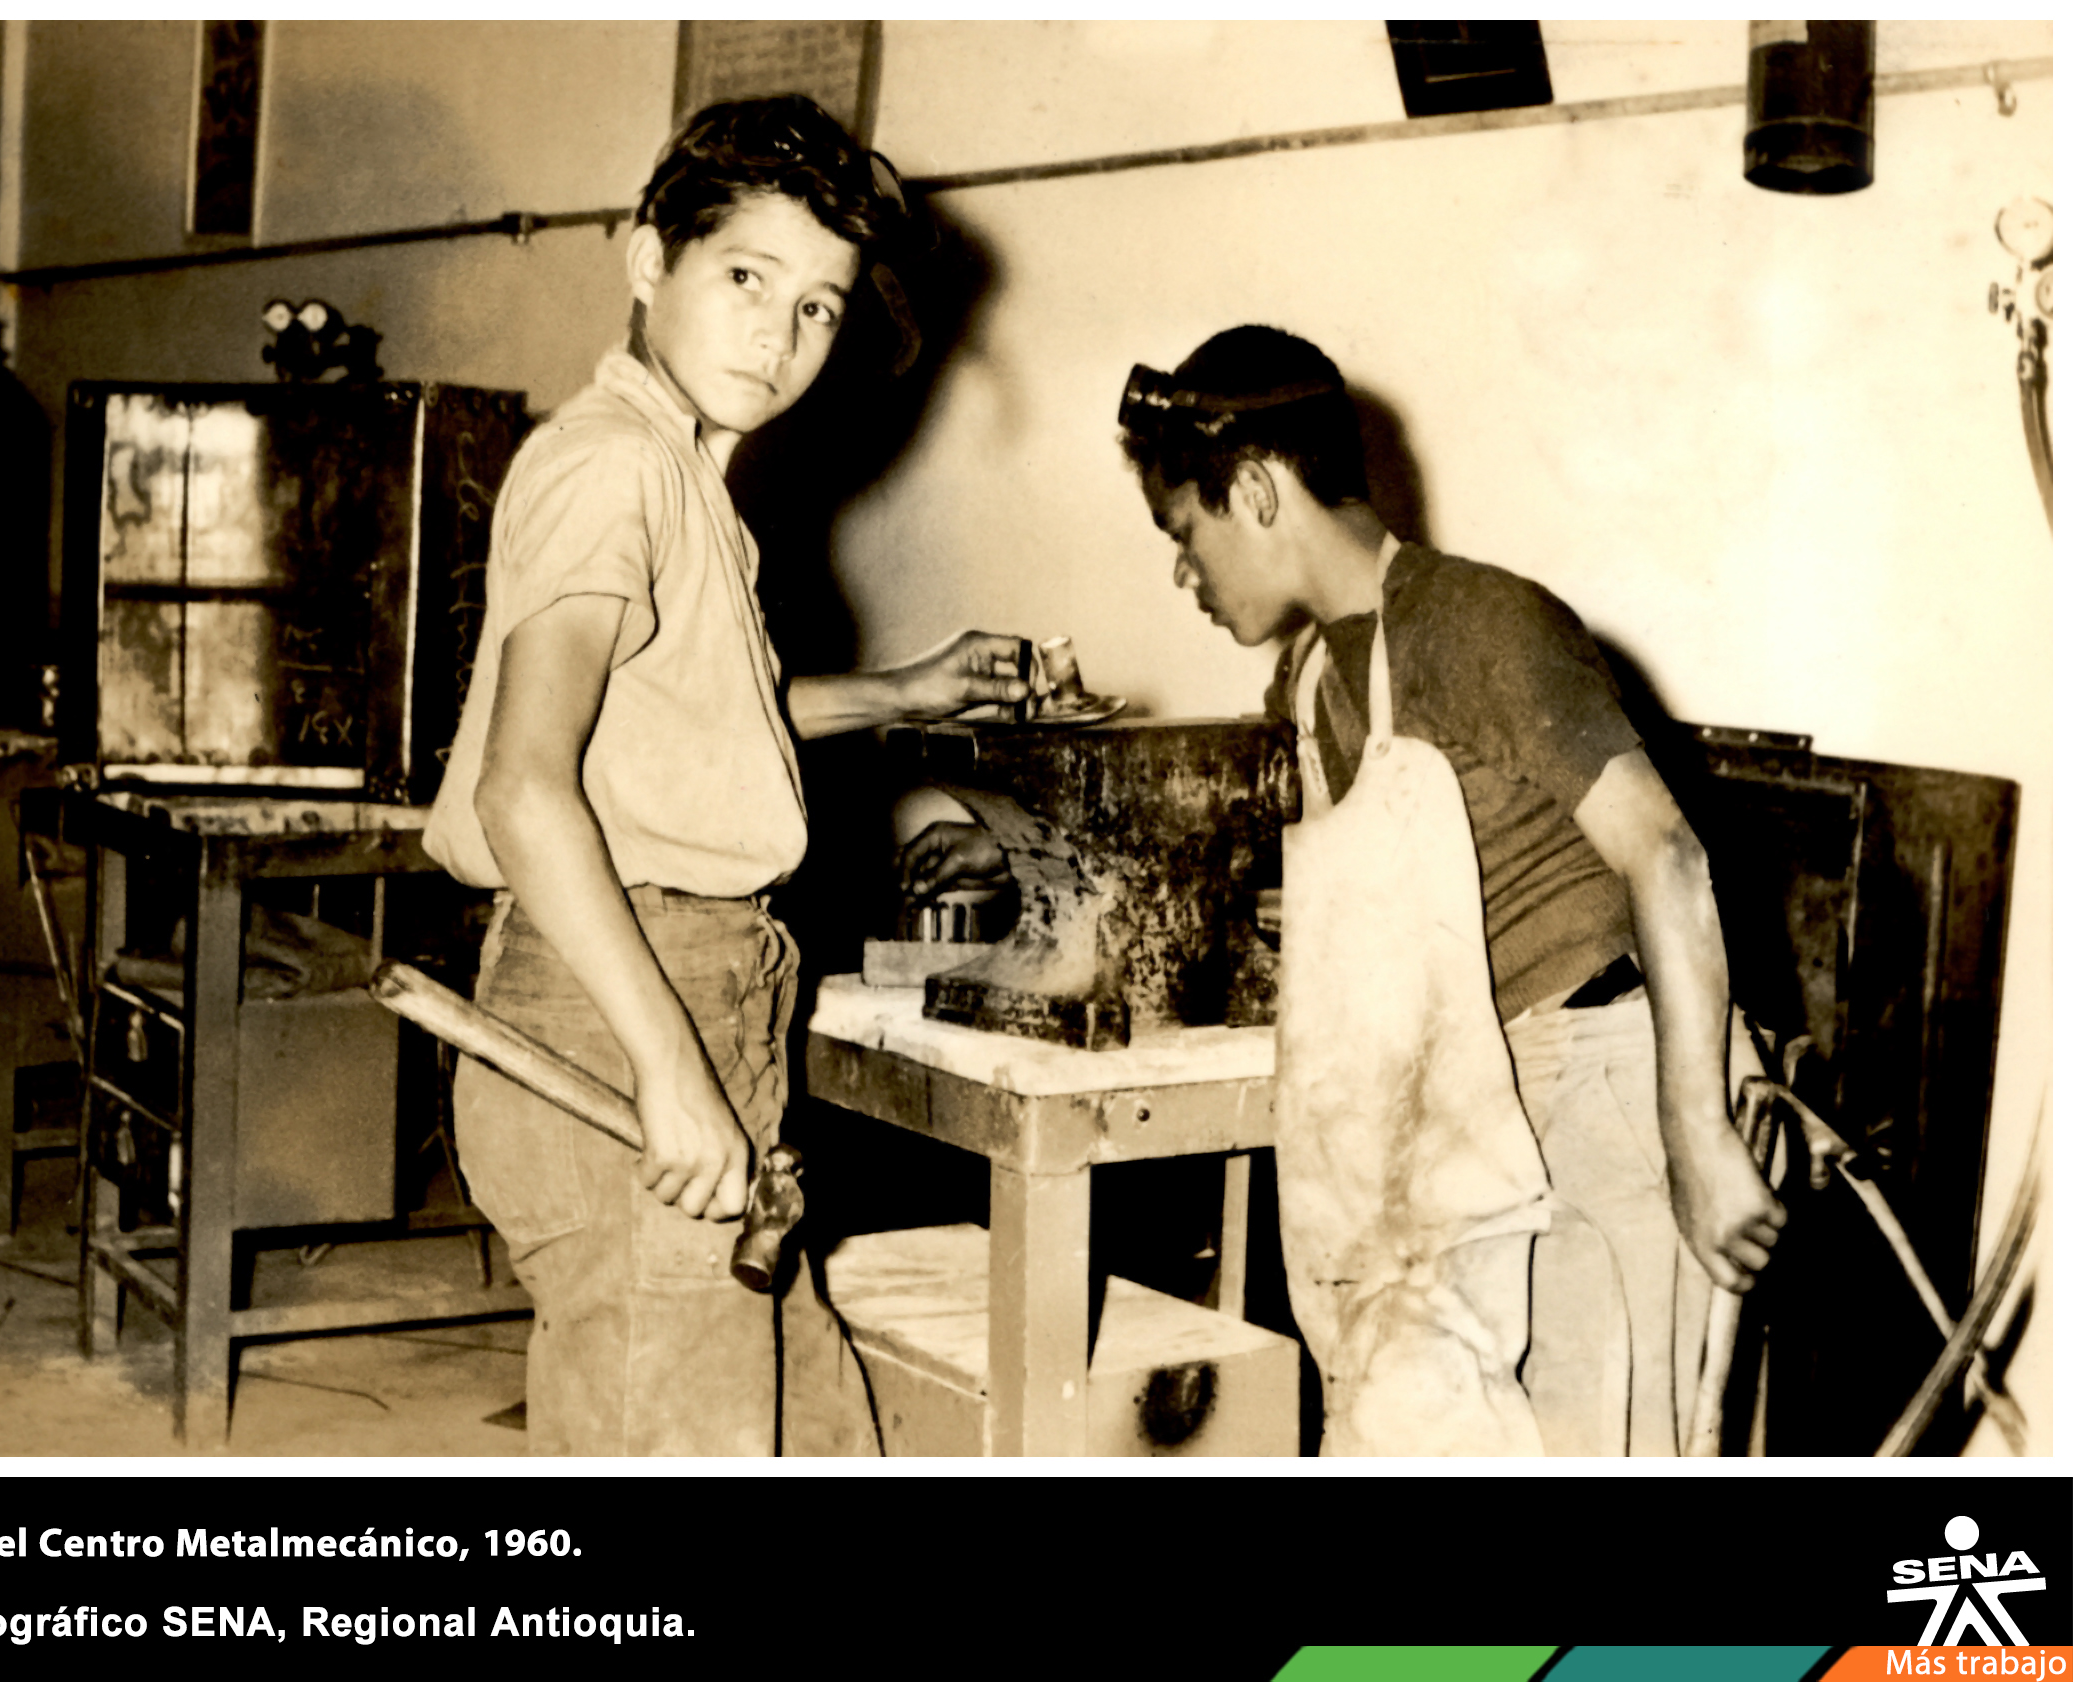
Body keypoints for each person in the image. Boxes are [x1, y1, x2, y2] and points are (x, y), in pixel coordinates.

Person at [421, 96, 1030, 1456]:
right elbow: (527, 786)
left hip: (693, 989)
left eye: (816, 307)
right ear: (650, 260)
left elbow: (684, 726)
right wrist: (671, 1069)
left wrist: (902, 691)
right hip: (623, 998)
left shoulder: (684, 478)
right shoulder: (612, 466)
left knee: (810, 1430)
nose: (777, 335)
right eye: (747, 278)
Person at [1107, 325, 1787, 1455]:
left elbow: (1665, 854)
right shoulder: (1315, 676)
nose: (1184, 572)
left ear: (1258, 492)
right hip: (1460, 1116)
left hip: (1601, 1094)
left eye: (1185, 533)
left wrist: (1698, 1136)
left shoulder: (1478, 620)